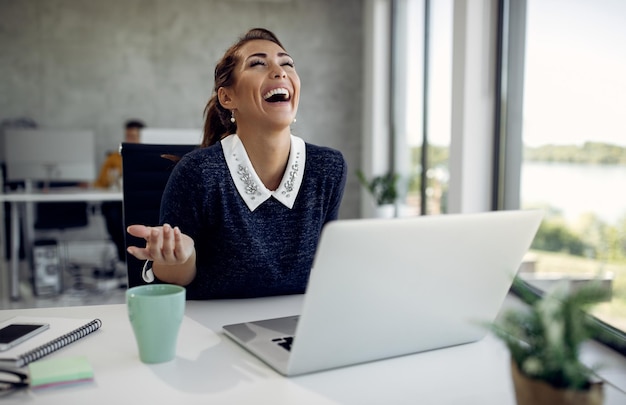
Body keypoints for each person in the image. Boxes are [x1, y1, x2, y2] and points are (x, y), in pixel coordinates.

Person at [126, 28, 347, 299]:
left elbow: (323, 265)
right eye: (257, 63)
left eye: (287, 63)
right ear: (228, 98)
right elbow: (175, 281)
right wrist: (176, 258)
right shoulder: (197, 173)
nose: (280, 72)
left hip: (297, 326)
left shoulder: (328, 167)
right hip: (213, 328)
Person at [94, 119, 145, 273]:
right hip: (117, 201)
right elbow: (101, 183)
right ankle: (124, 259)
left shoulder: (148, 156)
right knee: (113, 214)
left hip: (141, 200)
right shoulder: (114, 158)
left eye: (134, 136)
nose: (131, 139)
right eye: (128, 136)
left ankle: (139, 261)